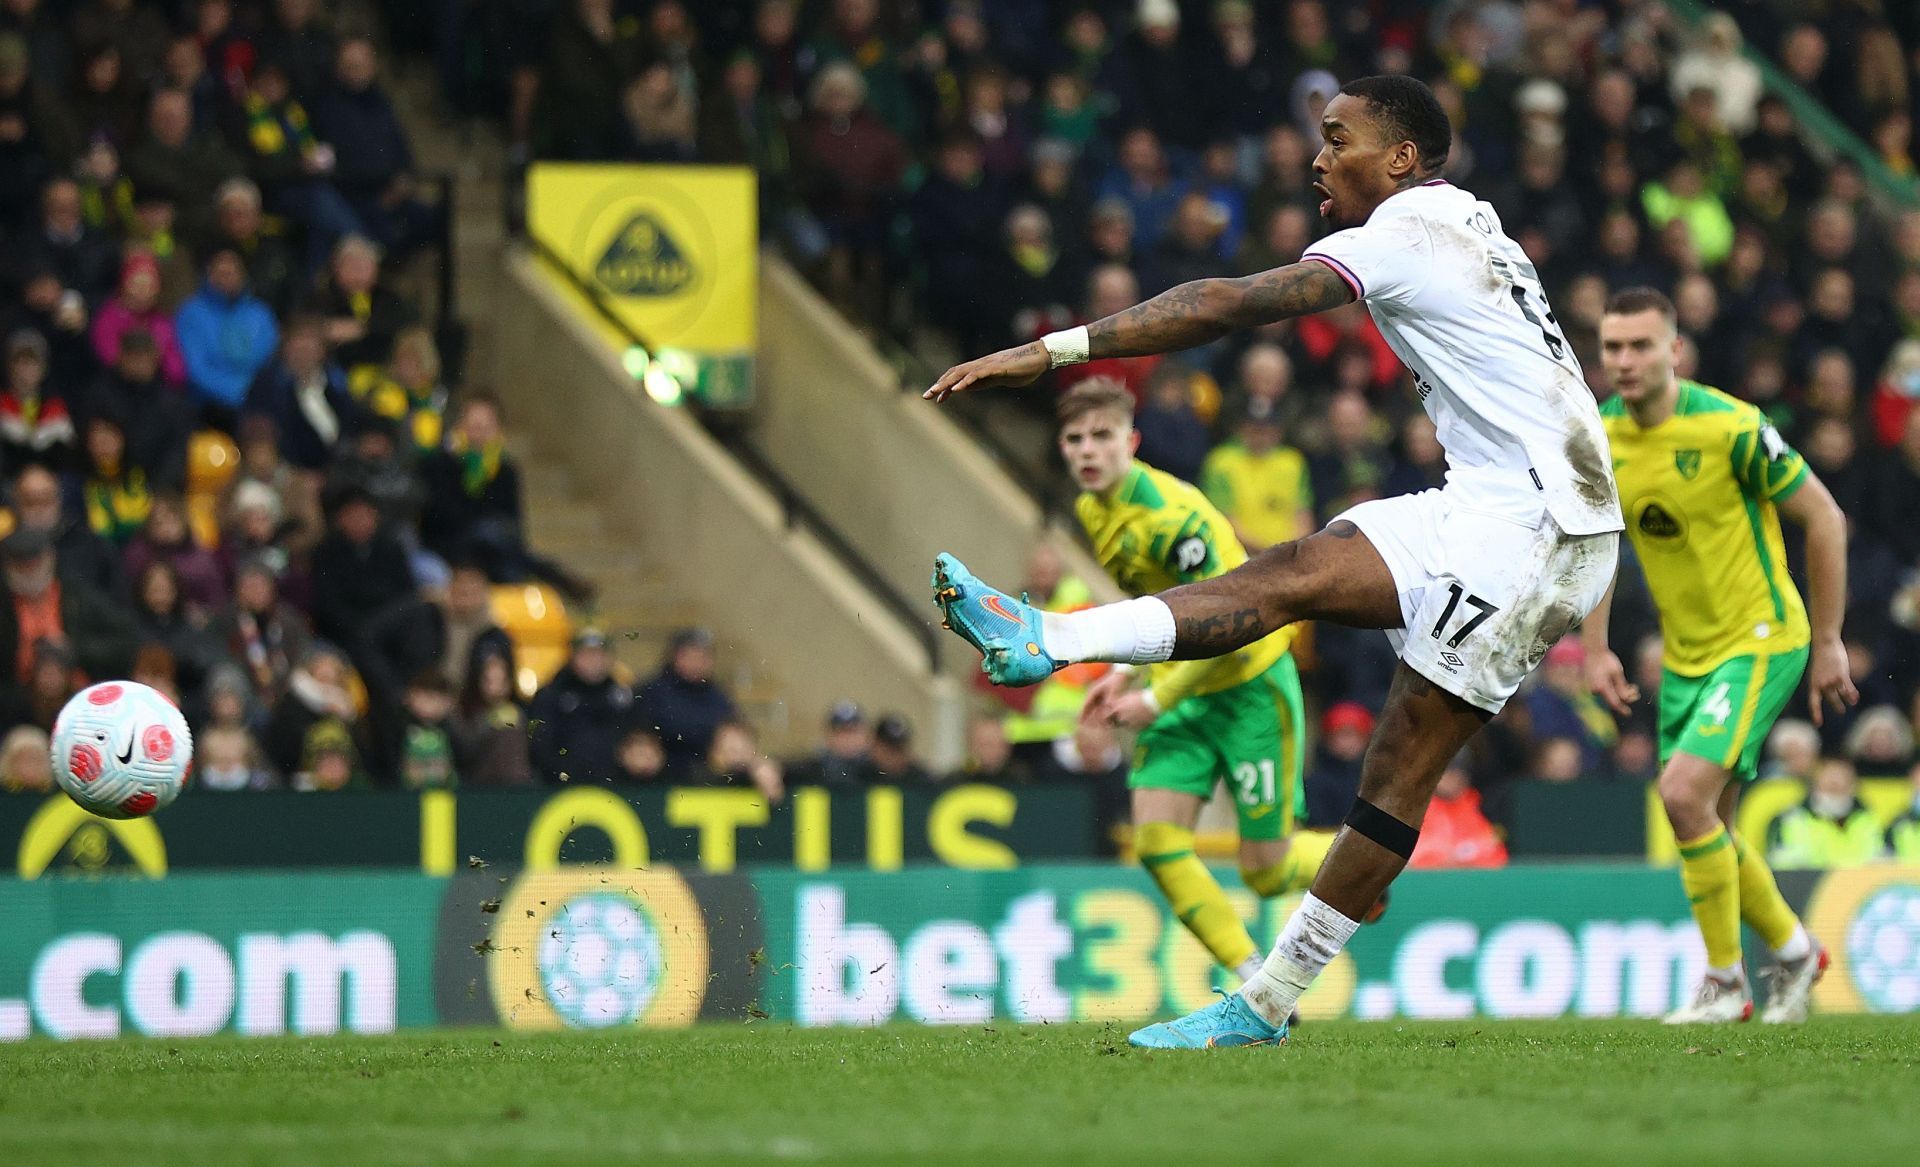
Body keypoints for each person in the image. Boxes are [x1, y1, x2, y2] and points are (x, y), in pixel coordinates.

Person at [924, 76, 1633, 1050]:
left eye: (1338, 137)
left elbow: (1225, 304)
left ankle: (1047, 639)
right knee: (1381, 740)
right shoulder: (1465, 222)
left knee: (1308, 605)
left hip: (1534, 525)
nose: (1316, 157)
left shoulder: (1407, 232)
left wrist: (1052, 351)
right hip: (1537, 510)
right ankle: (1261, 1005)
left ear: (1400, 159)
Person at [1584, 287, 1853, 1024]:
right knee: (1707, 822)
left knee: (1679, 795)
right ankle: (1797, 953)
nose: (1626, 361)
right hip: (1687, 657)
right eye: (1613, 347)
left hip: (1762, 638)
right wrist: (1598, 645)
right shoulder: (1600, 438)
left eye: (1641, 345)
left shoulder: (1733, 427)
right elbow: (1599, 541)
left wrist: (1829, 638)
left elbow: (1825, 518)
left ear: (1675, 350)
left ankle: (1726, 981)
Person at [1044, 377, 1339, 988]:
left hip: (1248, 682)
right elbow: (1159, 609)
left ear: (1133, 441)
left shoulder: (1174, 519)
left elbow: (1227, 627)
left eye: (1102, 436)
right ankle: (1253, 977)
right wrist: (1124, 671)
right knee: (1156, 841)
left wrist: (1152, 698)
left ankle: (1360, 861)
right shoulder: (1091, 508)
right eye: (1074, 439)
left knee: (1266, 871)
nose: (1087, 451)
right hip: (1181, 686)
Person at [526, 628, 634, 784]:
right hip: (559, 786)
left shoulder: (623, 698)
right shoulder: (551, 696)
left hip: (615, 787)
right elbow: (540, 745)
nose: (594, 661)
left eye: (599, 655)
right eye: (587, 654)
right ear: (572, 657)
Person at [634, 627, 736, 776]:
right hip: (660, 777)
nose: (697, 662)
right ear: (675, 656)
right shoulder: (651, 692)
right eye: (690, 655)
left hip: (707, 777)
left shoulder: (719, 697)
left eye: (703, 656)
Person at [1767, 756, 1885, 869]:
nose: (1835, 782)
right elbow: (1780, 863)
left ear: (1853, 785)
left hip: (1860, 885)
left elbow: (1880, 859)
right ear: (1814, 783)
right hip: (1808, 886)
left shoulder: (1869, 819)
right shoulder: (1790, 819)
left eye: (1841, 778)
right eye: (1829, 778)